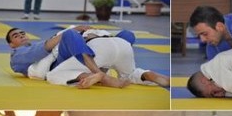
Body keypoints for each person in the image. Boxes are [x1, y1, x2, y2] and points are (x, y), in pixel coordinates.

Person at [6, 26, 129, 89]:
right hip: (58, 64)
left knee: (126, 35)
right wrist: (73, 30)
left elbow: (50, 46)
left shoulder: (39, 44)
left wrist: (89, 36)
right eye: (16, 36)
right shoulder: (16, 56)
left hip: (75, 56)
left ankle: (99, 74)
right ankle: (100, 74)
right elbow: (42, 49)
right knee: (70, 34)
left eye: (22, 33)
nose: (21, 35)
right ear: (11, 44)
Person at [40, 29, 170, 88]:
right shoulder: (95, 31)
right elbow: (128, 36)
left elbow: (40, 69)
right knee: (129, 74)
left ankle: (97, 75)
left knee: (53, 75)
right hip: (121, 44)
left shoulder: (61, 38)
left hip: (98, 50)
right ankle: (145, 74)